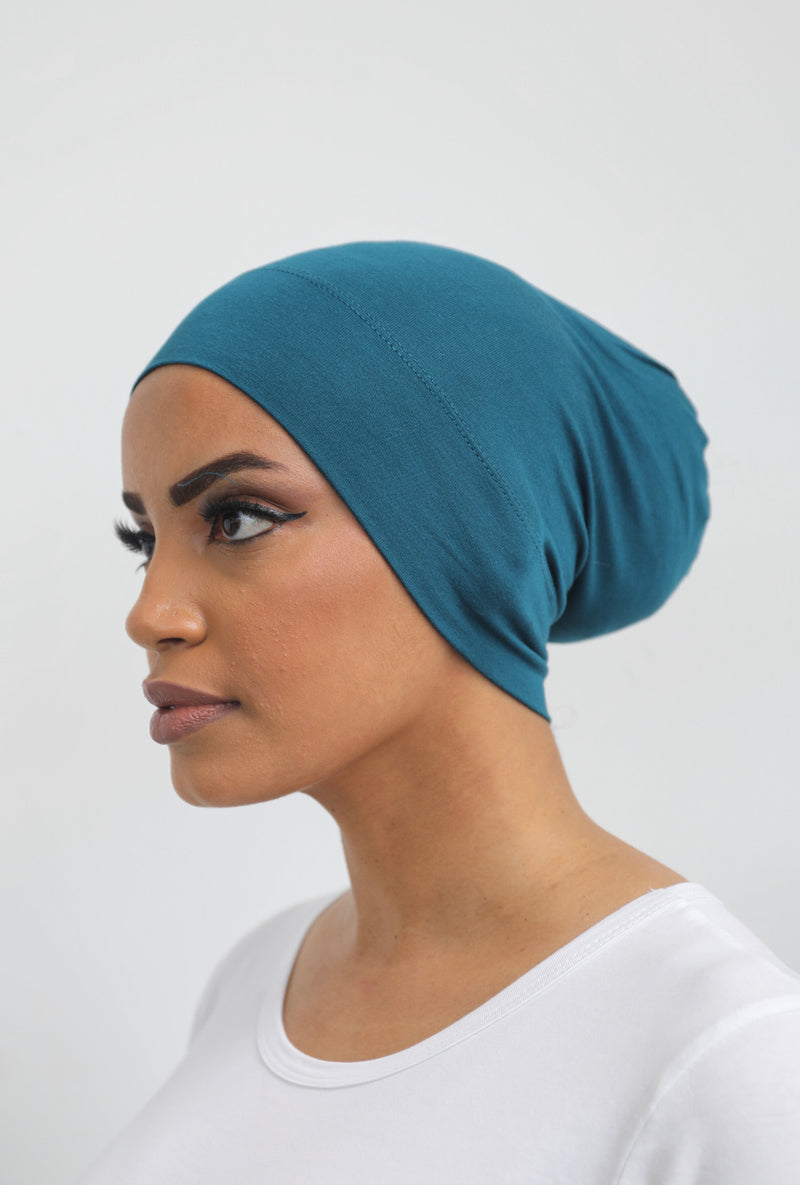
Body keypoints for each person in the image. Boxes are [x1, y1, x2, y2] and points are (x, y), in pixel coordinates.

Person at [79, 242, 800, 1182]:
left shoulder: (725, 1061)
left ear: (476, 541)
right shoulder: (258, 979)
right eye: (145, 539)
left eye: (238, 517)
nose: (151, 613)